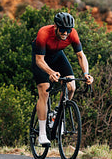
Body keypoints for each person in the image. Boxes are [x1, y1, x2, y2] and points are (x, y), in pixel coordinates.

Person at [31, 12, 93, 145]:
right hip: (42, 60)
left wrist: (86, 73)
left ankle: (58, 113)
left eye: (68, 30)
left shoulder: (72, 34)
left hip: (58, 56)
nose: (66, 33)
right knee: (44, 90)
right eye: (63, 30)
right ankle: (42, 134)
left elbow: (81, 55)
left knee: (71, 87)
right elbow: (39, 60)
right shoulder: (44, 33)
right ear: (55, 27)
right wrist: (50, 72)